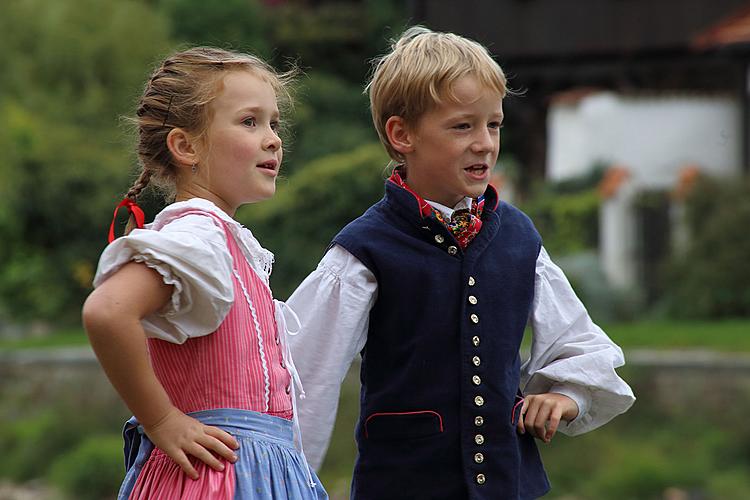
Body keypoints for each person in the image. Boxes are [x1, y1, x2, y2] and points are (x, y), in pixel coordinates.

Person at [287, 27, 635, 500]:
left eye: (493, 125)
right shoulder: (364, 250)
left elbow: (579, 343)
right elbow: (304, 376)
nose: (484, 143)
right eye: (462, 126)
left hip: (510, 487)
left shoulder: (518, 239)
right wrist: (281, 481)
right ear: (401, 134)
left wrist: (565, 396)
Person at [82, 47, 328, 500]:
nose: (273, 138)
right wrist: (161, 420)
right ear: (186, 146)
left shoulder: (225, 241)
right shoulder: (199, 235)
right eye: (249, 122)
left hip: (254, 474)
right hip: (214, 478)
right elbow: (107, 311)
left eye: (274, 123)